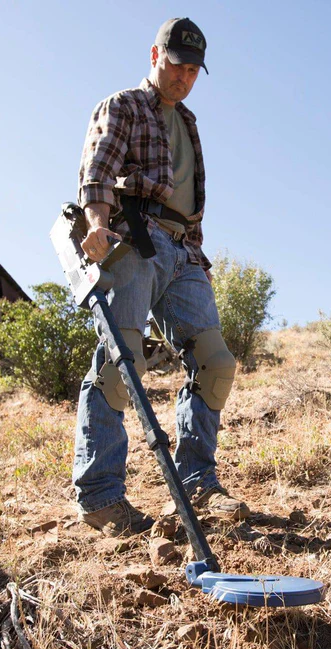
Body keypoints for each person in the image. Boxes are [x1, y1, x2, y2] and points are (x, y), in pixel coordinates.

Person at [72, 17, 250, 537]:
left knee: (215, 364)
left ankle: (198, 483)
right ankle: (101, 497)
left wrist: (196, 259)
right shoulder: (124, 105)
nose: (184, 77)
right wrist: (98, 226)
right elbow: (97, 173)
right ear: (156, 56)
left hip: (184, 251)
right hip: (135, 239)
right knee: (119, 364)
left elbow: (189, 200)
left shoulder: (189, 122)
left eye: (194, 71)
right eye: (177, 65)